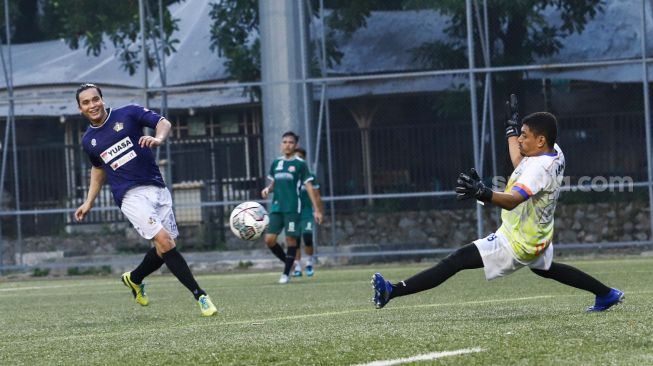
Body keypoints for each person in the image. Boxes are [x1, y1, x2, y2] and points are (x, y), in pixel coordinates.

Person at [372, 96, 624, 313]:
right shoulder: (553, 151)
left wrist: (482, 193)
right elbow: (519, 160)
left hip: (518, 241)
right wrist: (511, 129)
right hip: (538, 234)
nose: (520, 140)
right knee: (546, 269)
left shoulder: (539, 168)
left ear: (540, 141)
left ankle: (391, 291)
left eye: (525, 136)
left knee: (456, 260)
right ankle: (606, 294)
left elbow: (514, 200)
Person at [73, 83, 217, 317]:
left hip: (157, 188)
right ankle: (200, 295)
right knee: (165, 242)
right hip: (129, 196)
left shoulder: (128, 113)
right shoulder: (88, 140)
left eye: (95, 99)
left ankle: (135, 278)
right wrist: (89, 201)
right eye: (86, 102)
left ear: (102, 99)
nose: (92, 105)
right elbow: (98, 169)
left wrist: (158, 138)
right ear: (80, 109)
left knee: (165, 246)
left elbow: (163, 122)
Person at [261, 131, 324, 284]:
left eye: (290, 142)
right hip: (277, 208)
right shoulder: (276, 163)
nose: (287, 145)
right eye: (284, 142)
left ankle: (286, 273)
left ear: (295, 146)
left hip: (292, 208)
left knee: (291, 240)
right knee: (269, 240)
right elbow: (276, 182)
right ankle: (292, 263)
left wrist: (317, 209)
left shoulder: (300, 164)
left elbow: (309, 187)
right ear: (281, 144)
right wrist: (268, 189)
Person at [291, 147, 323, 277]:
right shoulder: (289, 177)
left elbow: (317, 196)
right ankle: (297, 266)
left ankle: (309, 263)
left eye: (300, 157)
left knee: (307, 237)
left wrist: (318, 211)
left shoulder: (310, 177)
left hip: (306, 212)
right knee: (295, 240)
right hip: (293, 212)